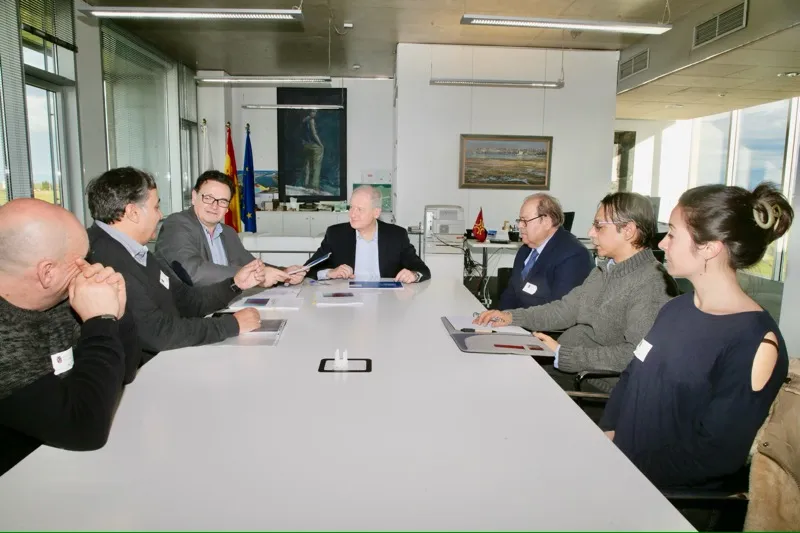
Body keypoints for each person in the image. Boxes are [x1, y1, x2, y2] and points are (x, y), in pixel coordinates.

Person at [600, 183, 792, 489]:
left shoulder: (754, 341)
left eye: (673, 234)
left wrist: (625, 469)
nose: (662, 243)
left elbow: (715, 455)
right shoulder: (674, 309)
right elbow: (631, 378)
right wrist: (608, 433)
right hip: (621, 467)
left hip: (667, 495)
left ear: (709, 247)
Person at [475, 192, 677, 392]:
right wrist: (510, 317)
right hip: (567, 367)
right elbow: (564, 310)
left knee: (502, 386)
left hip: (593, 385)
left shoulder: (651, 283)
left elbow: (634, 354)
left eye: (599, 226)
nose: (590, 232)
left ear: (628, 230)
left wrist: (564, 354)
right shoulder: (605, 270)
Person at [0, 199, 141, 476]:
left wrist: (117, 315)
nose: (91, 267)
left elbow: (125, 372)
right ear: (47, 272)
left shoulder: (60, 301)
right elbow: (84, 430)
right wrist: (100, 321)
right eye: (82, 259)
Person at [86, 167, 269, 360]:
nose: (160, 215)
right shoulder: (105, 261)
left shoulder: (136, 253)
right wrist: (233, 325)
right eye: (156, 207)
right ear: (133, 212)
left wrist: (235, 284)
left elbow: (185, 301)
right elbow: (157, 332)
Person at [156, 170, 304, 287]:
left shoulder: (228, 232)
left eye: (222, 201)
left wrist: (283, 272)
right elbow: (193, 272)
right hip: (188, 315)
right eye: (208, 198)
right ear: (194, 197)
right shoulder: (176, 224)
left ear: (227, 207)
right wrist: (256, 276)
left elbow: (249, 263)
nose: (214, 206)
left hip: (224, 304)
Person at [305, 185, 431, 283]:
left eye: (359, 209)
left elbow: (422, 270)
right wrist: (330, 273)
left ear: (376, 212)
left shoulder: (396, 236)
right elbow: (308, 269)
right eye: (351, 207)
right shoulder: (336, 234)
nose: (352, 214)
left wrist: (413, 275)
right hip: (347, 304)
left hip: (386, 303)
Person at [498, 193, 592, 310]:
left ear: (547, 222)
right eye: (520, 220)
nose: (520, 226)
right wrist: (498, 317)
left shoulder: (573, 256)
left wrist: (513, 319)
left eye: (525, 220)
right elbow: (511, 292)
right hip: (517, 324)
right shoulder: (525, 250)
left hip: (544, 326)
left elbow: (560, 312)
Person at [302, 109, 324, 190]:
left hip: (305, 145)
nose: (315, 113)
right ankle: (315, 185)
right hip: (313, 145)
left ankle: (306, 183)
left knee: (307, 164)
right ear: (310, 111)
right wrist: (321, 144)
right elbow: (314, 134)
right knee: (316, 165)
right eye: (314, 111)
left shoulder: (304, 120)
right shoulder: (311, 120)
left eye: (315, 111)